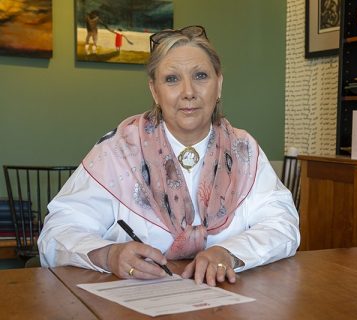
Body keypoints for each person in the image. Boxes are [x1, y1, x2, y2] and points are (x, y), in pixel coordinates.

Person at [38, 25, 300, 287]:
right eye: (172, 79)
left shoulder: (244, 150)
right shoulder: (117, 152)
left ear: (219, 84)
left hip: (229, 300)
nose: (188, 91)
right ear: (154, 90)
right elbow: (57, 232)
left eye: (200, 76)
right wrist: (108, 255)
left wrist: (230, 253)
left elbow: (282, 225)